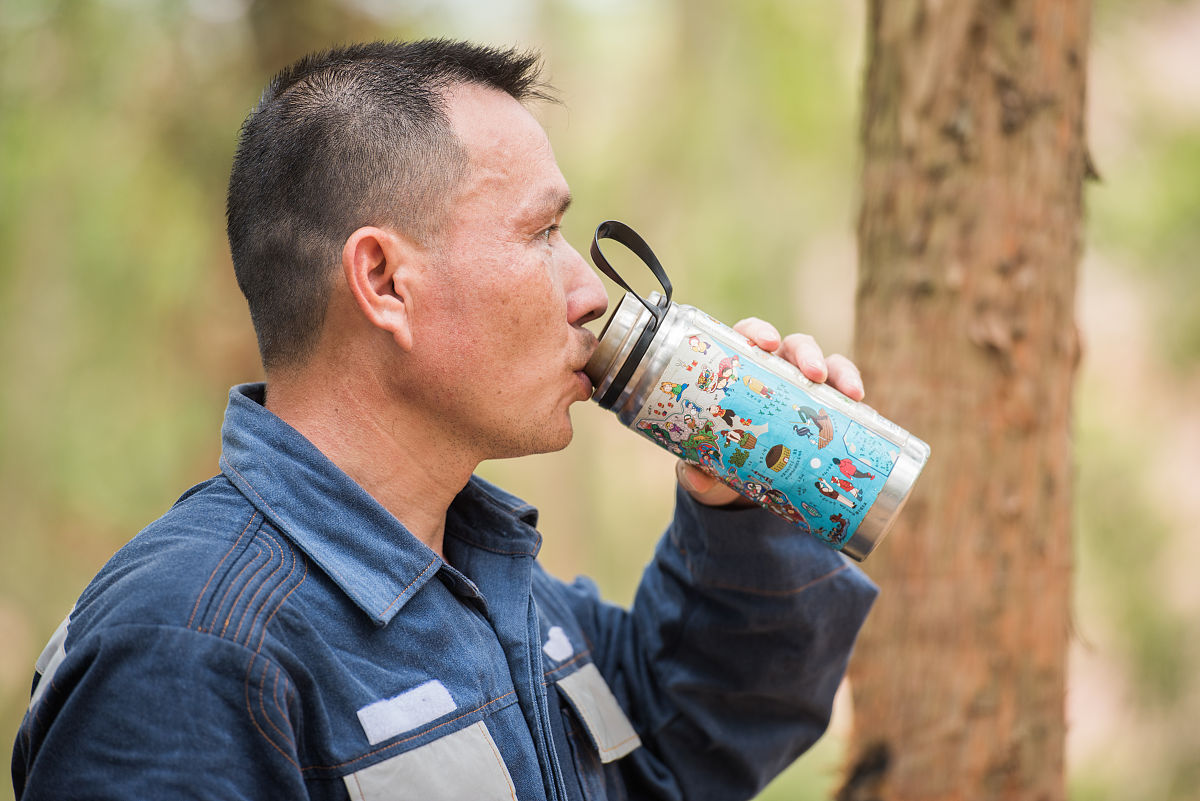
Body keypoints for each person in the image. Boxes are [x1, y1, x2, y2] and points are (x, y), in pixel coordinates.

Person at [12, 40, 877, 800]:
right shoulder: (188, 652)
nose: (586, 292)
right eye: (542, 233)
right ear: (385, 282)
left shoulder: (492, 584)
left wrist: (732, 506)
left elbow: (686, 739)